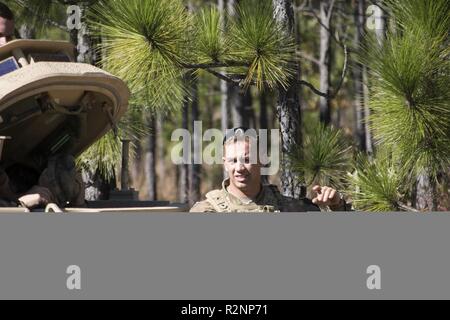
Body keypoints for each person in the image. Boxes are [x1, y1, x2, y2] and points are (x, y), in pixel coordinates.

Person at [190, 127, 351, 213]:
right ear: (225, 164)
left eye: (247, 159)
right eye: (233, 161)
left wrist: (336, 206)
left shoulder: (290, 208)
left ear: (262, 160)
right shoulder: (206, 211)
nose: (239, 168)